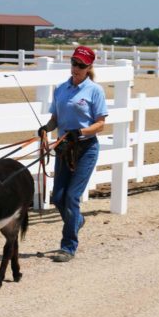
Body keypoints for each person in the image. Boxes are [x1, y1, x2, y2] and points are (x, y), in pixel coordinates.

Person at [37, 46, 108, 262]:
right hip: (64, 148)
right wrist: (45, 129)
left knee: (71, 197)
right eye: (74, 63)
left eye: (81, 65)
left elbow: (101, 124)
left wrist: (81, 132)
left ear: (89, 68)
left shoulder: (95, 90)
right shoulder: (61, 89)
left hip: (85, 149)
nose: (76, 68)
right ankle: (76, 221)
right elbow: (55, 119)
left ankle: (68, 246)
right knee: (58, 197)